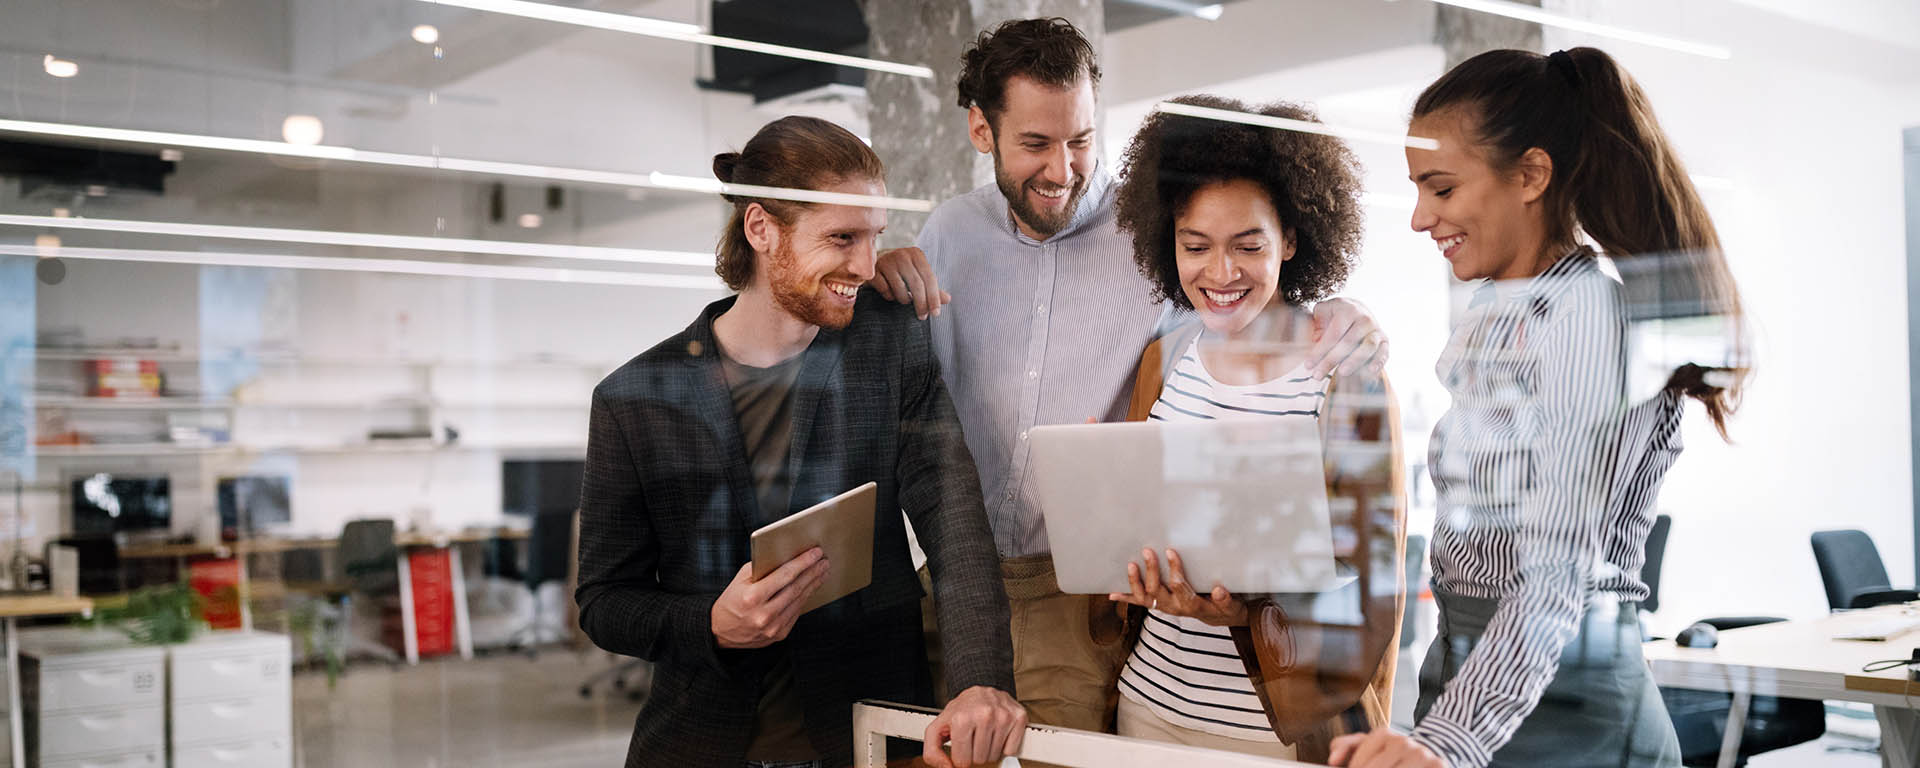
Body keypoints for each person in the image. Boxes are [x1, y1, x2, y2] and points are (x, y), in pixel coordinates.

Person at [868, 17, 1389, 734]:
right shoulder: (947, 235)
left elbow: (1242, 309)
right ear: (981, 131)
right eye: (1035, 144)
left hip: (1078, 597)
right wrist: (875, 273)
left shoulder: (1147, 234)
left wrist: (1343, 308)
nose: (1063, 170)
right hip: (953, 581)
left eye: (1081, 140)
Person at [1329, 47, 1749, 768]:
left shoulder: (1588, 318)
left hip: (1569, 704)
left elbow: (1554, 573)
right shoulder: (1497, 311)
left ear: (1530, 175)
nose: (1420, 217)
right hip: (1470, 675)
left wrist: (1447, 742)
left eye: (1441, 188)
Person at [575, 115, 1026, 768]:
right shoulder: (632, 400)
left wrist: (980, 680)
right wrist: (711, 624)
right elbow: (604, 603)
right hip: (702, 743)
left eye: (874, 237)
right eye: (842, 238)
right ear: (761, 228)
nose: (866, 266)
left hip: (872, 737)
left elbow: (955, 524)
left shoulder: (889, 346)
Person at [1100, 95, 1407, 763]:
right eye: (1195, 246)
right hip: (1148, 710)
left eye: (1248, 245)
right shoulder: (1164, 360)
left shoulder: (1345, 378)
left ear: (1291, 240)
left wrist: (1248, 612)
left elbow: (1371, 588)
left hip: (1272, 735)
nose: (1221, 273)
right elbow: (1133, 510)